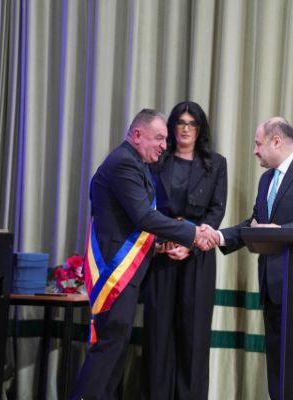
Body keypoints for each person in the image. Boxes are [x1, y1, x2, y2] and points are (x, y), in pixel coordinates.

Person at [70, 109, 218, 400]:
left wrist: (160, 243)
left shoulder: (136, 163)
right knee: (108, 350)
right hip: (115, 272)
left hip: (127, 273)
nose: (164, 145)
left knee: (115, 351)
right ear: (137, 135)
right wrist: (192, 233)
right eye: (159, 138)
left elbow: (133, 222)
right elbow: (144, 217)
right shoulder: (123, 163)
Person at [216, 117, 293, 400]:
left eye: (258, 144)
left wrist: (281, 230)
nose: (254, 151)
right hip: (273, 286)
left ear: (276, 141)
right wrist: (220, 237)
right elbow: (257, 224)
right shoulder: (266, 180)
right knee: (279, 365)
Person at [141, 101, 227, 400]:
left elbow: (216, 210)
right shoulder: (156, 161)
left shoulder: (216, 164)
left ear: (200, 129)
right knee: (158, 336)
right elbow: (145, 207)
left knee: (193, 338)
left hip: (197, 257)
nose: (186, 129)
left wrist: (190, 242)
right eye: (181, 122)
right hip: (161, 254)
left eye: (192, 123)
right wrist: (163, 241)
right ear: (172, 126)